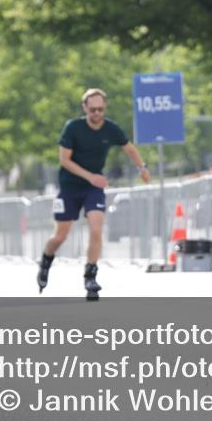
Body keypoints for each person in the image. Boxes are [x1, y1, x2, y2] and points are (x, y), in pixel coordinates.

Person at [37, 88, 152, 299]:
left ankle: (90, 275)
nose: (97, 113)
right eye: (93, 109)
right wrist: (90, 176)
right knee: (60, 236)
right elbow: (64, 160)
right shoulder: (73, 128)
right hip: (70, 186)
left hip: (93, 187)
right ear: (85, 108)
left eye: (100, 109)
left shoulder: (110, 129)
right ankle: (46, 261)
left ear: (104, 107)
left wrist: (142, 168)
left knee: (96, 228)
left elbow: (129, 148)